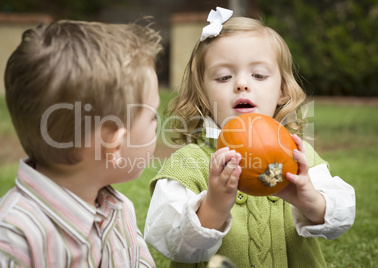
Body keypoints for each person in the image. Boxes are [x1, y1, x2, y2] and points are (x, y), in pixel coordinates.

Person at [144, 7, 355, 268]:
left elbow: (343, 215)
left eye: (258, 75)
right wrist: (213, 207)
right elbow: (169, 241)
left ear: (282, 91)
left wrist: (312, 201)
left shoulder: (298, 156)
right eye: (223, 77)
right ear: (202, 95)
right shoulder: (188, 164)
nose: (242, 84)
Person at [0, 20, 162, 267]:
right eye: (152, 116)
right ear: (113, 144)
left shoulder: (120, 212)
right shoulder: (8, 244)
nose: (158, 125)